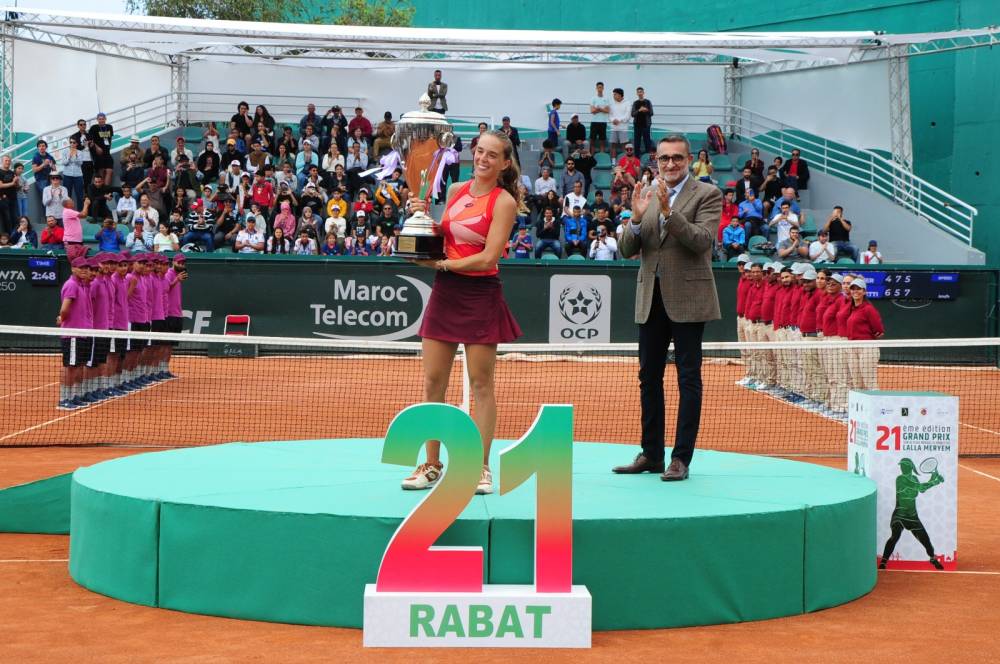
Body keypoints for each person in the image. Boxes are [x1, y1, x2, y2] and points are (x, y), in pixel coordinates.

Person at [401, 130, 522, 495]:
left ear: (504, 163)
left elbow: (488, 257)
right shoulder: (456, 191)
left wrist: (442, 266)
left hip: (480, 293)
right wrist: (421, 220)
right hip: (446, 291)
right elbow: (445, 235)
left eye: (492, 155)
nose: (483, 158)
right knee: (433, 382)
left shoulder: (503, 203)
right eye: (479, 151)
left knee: (482, 385)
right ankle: (431, 464)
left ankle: (481, 468)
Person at [613, 134, 721, 481]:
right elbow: (628, 250)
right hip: (650, 300)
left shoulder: (708, 194)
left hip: (689, 300)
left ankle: (681, 459)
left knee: (688, 379)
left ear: (689, 160)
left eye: (677, 158)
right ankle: (651, 454)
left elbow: (702, 241)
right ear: (655, 161)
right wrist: (634, 218)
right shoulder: (645, 195)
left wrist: (670, 213)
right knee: (648, 378)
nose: (670, 164)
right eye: (664, 159)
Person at [879, 458, 945, 570]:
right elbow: (919, 487)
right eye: (901, 466)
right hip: (899, 515)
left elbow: (922, 489)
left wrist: (932, 479)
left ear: (910, 467)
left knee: (926, 541)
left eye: (904, 466)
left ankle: (932, 558)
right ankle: (884, 562)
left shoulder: (914, 478)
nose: (902, 468)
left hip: (913, 517)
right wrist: (935, 481)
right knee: (895, 536)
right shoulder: (900, 479)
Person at [56, 257, 95, 409]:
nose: (85, 270)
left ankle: (75, 395)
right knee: (70, 366)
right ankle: (64, 398)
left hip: (84, 332)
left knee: (79, 365)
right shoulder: (71, 285)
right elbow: (65, 308)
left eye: (87, 268)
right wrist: (62, 319)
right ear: (73, 269)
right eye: (81, 267)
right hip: (73, 333)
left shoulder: (84, 286)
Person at [845, 278, 884, 393]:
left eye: (859, 289)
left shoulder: (868, 309)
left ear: (864, 292)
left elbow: (879, 330)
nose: (855, 291)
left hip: (867, 347)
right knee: (857, 382)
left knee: (869, 381)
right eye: (853, 289)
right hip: (852, 347)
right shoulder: (851, 309)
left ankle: (876, 407)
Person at [630, 87, 654, 155]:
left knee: (647, 141)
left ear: (643, 92)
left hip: (646, 125)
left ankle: (648, 156)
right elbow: (632, 114)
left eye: (641, 92)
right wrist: (639, 110)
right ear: (637, 93)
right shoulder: (635, 103)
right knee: (637, 142)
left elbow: (651, 113)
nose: (640, 93)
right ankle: (637, 157)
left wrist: (646, 110)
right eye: (638, 92)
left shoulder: (648, 102)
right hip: (637, 125)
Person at [608, 88, 630, 160]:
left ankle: (625, 162)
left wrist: (619, 120)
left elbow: (627, 116)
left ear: (620, 95)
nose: (613, 96)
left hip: (623, 128)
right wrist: (612, 120)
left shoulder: (627, 103)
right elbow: (610, 115)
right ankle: (613, 163)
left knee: (624, 146)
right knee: (613, 145)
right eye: (613, 94)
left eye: (615, 94)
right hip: (613, 128)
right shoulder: (612, 104)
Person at [589, 81, 610, 154]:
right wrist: (602, 109)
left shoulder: (606, 98)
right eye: (598, 87)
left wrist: (598, 109)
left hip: (603, 122)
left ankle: (602, 155)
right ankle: (591, 156)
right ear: (596, 88)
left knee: (602, 140)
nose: (600, 89)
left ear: (603, 88)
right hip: (594, 122)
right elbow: (592, 111)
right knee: (592, 140)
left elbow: (607, 110)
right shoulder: (593, 98)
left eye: (601, 87)